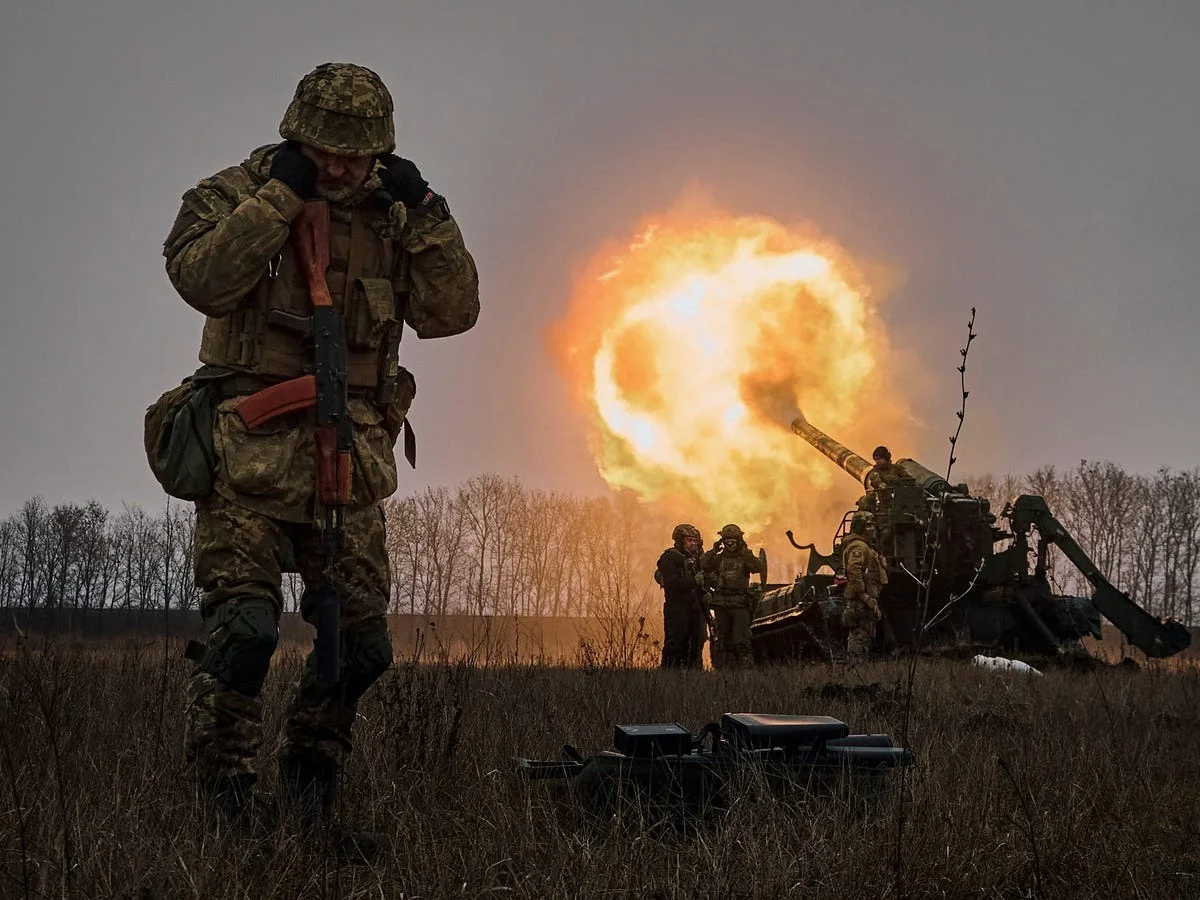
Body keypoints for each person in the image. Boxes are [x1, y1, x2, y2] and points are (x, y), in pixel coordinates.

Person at [163, 62, 479, 835]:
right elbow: (200, 278)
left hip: (352, 461)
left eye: (359, 154)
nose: (342, 167)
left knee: (363, 647)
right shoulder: (236, 193)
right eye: (328, 151)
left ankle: (310, 786)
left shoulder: (397, 216)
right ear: (297, 136)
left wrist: (430, 209)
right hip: (250, 461)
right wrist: (279, 198)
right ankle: (225, 803)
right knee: (244, 635)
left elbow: (453, 312)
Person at [701, 524, 763, 668]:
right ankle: (725, 672)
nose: (730, 545)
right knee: (722, 642)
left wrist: (745, 552)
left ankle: (746, 672)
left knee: (742, 641)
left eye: (733, 541)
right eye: (727, 541)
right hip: (721, 604)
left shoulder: (744, 557)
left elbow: (757, 567)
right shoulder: (717, 558)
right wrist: (713, 551)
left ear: (739, 541)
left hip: (740, 605)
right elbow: (702, 565)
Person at [655, 524, 708, 669]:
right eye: (689, 540)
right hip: (677, 607)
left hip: (695, 607)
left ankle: (694, 675)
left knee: (697, 642)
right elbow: (672, 584)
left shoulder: (697, 559)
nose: (692, 544)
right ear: (680, 541)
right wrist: (693, 581)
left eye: (695, 541)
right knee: (676, 643)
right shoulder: (670, 558)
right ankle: (671, 675)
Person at [841, 513, 888, 659]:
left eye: (872, 525)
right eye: (868, 525)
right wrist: (864, 595)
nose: (872, 528)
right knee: (859, 635)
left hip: (866, 599)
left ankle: (859, 669)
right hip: (861, 601)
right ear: (861, 528)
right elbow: (854, 570)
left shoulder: (865, 546)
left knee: (866, 633)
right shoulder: (858, 546)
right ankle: (855, 670)